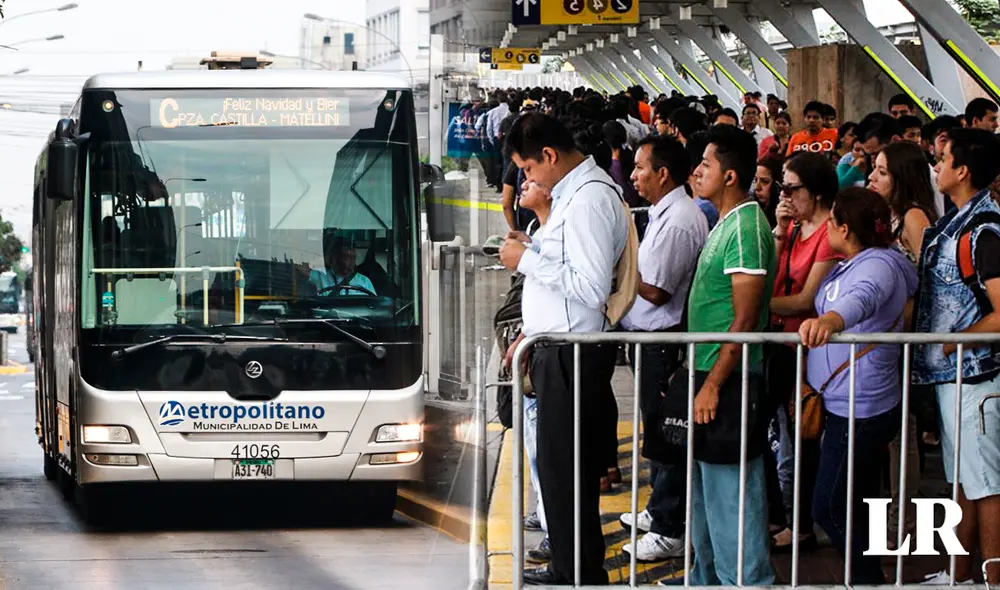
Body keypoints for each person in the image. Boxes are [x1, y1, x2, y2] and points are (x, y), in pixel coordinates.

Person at [499, 112, 628, 586]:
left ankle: (580, 573)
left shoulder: (591, 199)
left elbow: (591, 287)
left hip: (573, 353)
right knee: (559, 473)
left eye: (528, 170)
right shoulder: (572, 196)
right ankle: (570, 565)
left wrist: (527, 259)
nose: (527, 180)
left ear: (549, 156)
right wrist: (532, 244)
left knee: (567, 472)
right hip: (558, 350)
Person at [798, 186, 917, 585]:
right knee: (855, 502)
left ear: (845, 228)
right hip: (844, 402)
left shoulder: (878, 267)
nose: (826, 227)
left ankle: (867, 580)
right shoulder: (860, 260)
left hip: (859, 407)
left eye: (831, 221)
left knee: (829, 506)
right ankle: (864, 576)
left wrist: (830, 322)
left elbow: (861, 301)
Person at [683, 124, 776, 585]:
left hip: (730, 380)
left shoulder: (745, 230)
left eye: (707, 164)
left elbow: (743, 319)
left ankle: (747, 581)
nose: (698, 171)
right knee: (705, 495)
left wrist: (714, 385)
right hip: (707, 373)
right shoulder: (726, 223)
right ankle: (708, 577)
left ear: (731, 175)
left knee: (732, 495)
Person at [913, 128, 1000, 586]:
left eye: (942, 158)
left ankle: (990, 578)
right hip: (955, 377)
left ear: (961, 170)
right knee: (965, 482)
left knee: (986, 484)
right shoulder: (959, 222)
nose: (937, 165)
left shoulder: (983, 229)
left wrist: (955, 339)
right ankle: (959, 574)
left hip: (977, 377)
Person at [618, 135, 708, 562]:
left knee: (667, 433)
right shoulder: (664, 213)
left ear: (663, 173)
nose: (634, 175)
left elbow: (655, 290)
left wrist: (619, 268)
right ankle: (659, 510)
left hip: (662, 342)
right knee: (655, 432)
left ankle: (670, 526)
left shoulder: (679, 220)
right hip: (647, 340)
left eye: (640, 168)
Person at [766, 152, 842, 551]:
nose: (785, 196)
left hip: (807, 349)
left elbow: (805, 300)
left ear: (815, 193)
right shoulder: (795, 229)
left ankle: (803, 523)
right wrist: (779, 234)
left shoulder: (830, 234)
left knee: (804, 437)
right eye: (782, 188)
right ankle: (785, 514)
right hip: (783, 343)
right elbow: (778, 283)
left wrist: (751, 307)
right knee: (779, 435)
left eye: (791, 189)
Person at [504, 180, 555, 566]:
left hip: (552, 356)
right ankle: (544, 510)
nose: (523, 185)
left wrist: (525, 257)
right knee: (534, 444)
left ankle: (557, 531)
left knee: (546, 449)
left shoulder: (559, 231)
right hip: (532, 348)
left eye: (532, 178)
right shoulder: (540, 230)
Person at [308, 237, 376, 296]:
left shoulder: (364, 282)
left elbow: (375, 306)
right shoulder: (317, 276)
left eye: (353, 258)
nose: (351, 263)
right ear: (335, 258)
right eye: (347, 258)